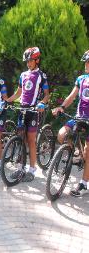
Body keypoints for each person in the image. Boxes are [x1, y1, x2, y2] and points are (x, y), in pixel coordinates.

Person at [6, 47, 50, 182]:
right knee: (20, 139)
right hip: (22, 110)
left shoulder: (41, 76)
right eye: (27, 61)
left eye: (30, 61)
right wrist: (7, 100)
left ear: (37, 60)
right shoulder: (23, 75)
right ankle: (20, 168)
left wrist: (42, 103)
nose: (28, 63)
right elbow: (19, 92)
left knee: (31, 140)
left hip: (33, 111)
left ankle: (32, 170)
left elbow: (47, 95)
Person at [52, 50, 89, 196]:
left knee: (88, 152)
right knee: (61, 135)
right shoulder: (81, 79)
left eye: (88, 62)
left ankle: (84, 184)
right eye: (86, 62)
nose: (86, 65)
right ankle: (74, 152)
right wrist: (61, 107)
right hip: (79, 116)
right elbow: (72, 96)